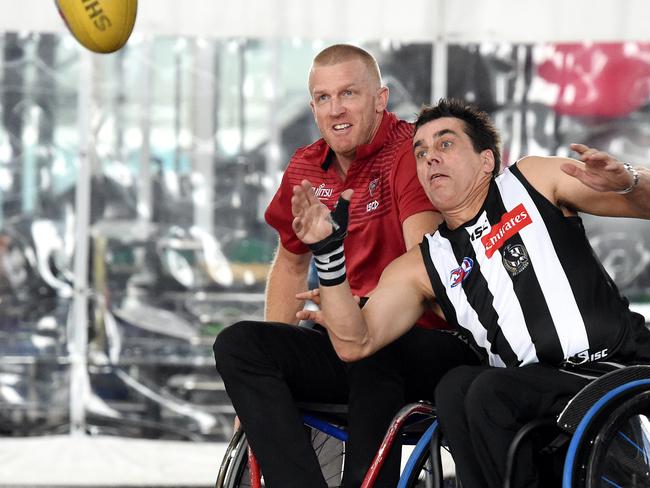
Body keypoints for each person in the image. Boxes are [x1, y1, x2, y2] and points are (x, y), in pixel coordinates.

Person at [292, 98, 650, 488]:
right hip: (531, 388)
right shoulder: (425, 261)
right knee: (455, 387)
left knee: (485, 390)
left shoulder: (532, 181)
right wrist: (328, 254)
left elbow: (641, 202)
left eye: (445, 144)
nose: (430, 158)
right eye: (421, 151)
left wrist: (630, 181)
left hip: (611, 368)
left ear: (487, 161)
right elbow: (356, 343)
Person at [214, 47, 480, 487]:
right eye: (322, 98)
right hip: (347, 343)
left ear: (380, 98)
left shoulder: (410, 152)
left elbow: (425, 264)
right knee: (238, 346)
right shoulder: (305, 165)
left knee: (373, 351)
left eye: (349, 94)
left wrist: (359, 310)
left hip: (429, 344)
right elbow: (289, 265)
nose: (335, 109)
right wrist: (256, 396)